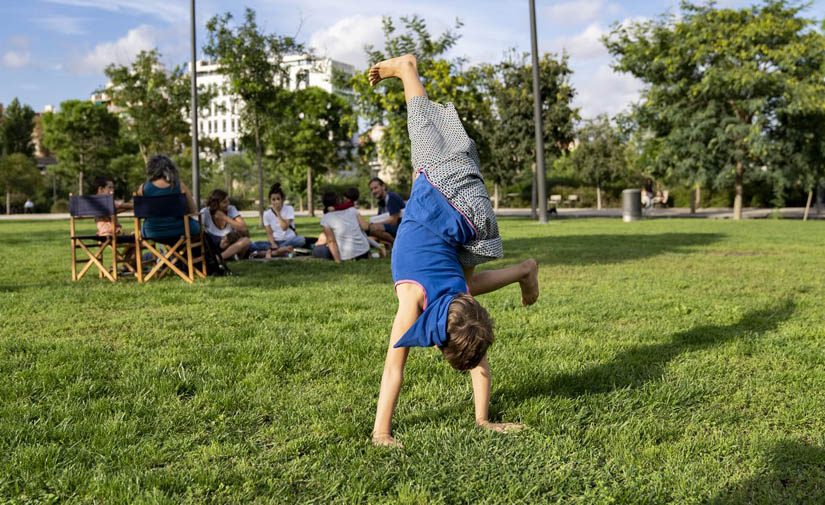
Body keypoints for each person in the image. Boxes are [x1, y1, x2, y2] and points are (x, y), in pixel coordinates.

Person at [368, 54, 540, 448]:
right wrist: (381, 432)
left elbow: (474, 350)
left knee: (471, 280)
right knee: (420, 120)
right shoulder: (414, 299)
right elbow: (393, 368)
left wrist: (484, 422)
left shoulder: (461, 301)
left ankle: (524, 269)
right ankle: (406, 67)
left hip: (475, 216)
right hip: (445, 192)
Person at [135, 154, 200, 242]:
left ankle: (165, 255)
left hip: (152, 232)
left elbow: (138, 209)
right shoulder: (180, 186)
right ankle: (179, 255)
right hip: (181, 230)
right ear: (171, 169)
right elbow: (193, 210)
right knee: (198, 227)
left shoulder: (143, 188)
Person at [312, 190, 372, 262]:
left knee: (317, 249)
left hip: (346, 256)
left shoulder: (326, 218)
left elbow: (331, 241)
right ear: (338, 201)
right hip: (364, 252)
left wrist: (337, 261)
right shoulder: (352, 210)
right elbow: (365, 227)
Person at [259, 183, 308, 257]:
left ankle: (275, 252)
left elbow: (284, 227)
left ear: (282, 199)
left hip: (290, 240)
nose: (276, 202)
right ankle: (283, 250)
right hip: (276, 242)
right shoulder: (266, 214)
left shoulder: (289, 209)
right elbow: (269, 233)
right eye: (273, 199)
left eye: (278, 199)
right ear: (270, 201)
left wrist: (278, 213)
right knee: (254, 245)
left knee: (300, 240)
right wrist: (272, 243)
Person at [201, 189, 250, 261]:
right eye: (224, 202)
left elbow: (243, 228)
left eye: (228, 201)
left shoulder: (231, 209)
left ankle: (217, 259)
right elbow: (197, 229)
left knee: (246, 241)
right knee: (224, 242)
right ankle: (228, 256)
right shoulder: (205, 212)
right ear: (216, 204)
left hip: (231, 244)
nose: (228, 204)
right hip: (214, 245)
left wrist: (224, 218)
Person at [368, 177, 404, 245]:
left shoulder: (391, 197)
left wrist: (376, 224)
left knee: (373, 228)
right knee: (369, 230)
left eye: (376, 188)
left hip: (401, 228)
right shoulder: (381, 201)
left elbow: (393, 221)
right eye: (371, 189)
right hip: (393, 228)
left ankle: (397, 245)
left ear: (383, 186)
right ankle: (388, 245)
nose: (373, 191)